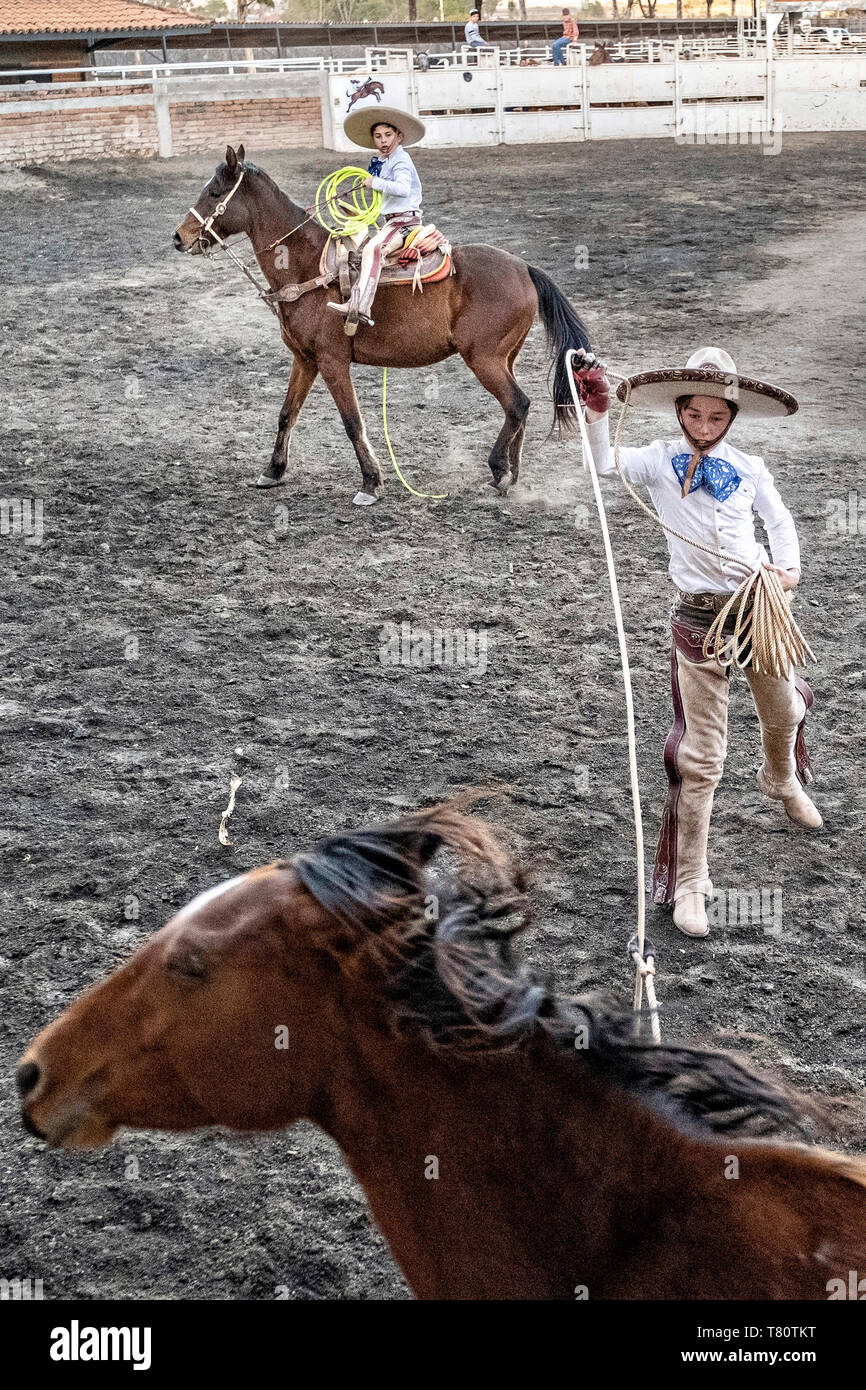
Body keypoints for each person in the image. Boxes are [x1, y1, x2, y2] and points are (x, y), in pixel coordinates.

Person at [572, 346, 822, 940]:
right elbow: (602, 464)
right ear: (680, 411)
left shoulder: (750, 467)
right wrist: (598, 411)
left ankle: (781, 776)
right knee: (701, 756)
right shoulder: (659, 462)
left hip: (760, 607)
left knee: (784, 707)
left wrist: (787, 570)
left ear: (731, 417)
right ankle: (691, 880)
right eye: (694, 416)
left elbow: (780, 522)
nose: (704, 429)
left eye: (716, 419)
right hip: (698, 619)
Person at [332, 104, 426, 331]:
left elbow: (402, 188)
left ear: (399, 136)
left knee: (373, 250)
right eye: (378, 136)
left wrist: (376, 182)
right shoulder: (385, 161)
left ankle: (361, 305)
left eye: (388, 135)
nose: (383, 140)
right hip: (392, 220)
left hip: (405, 221)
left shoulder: (400, 160)